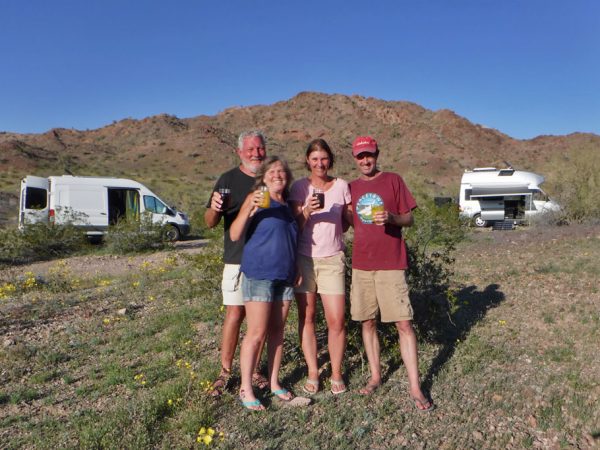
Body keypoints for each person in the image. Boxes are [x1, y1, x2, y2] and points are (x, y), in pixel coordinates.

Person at [349, 136, 434, 411]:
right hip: (362, 264)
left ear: (377, 154)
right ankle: (375, 376)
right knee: (367, 322)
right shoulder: (350, 188)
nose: (366, 160)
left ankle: (415, 387)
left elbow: (409, 218)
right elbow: (345, 221)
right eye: (360, 156)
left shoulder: (393, 180)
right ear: (355, 159)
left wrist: (392, 218)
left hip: (391, 264)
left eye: (369, 155)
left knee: (404, 324)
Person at [230, 156, 308, 410]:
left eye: (282, 171)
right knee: (256, 333)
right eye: (272, 171)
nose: (277, 175)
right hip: (259, 274)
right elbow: (235, 234)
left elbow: (289, 240)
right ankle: (246, 387)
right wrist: (247, 210)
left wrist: (296, 266)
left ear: (288, 177)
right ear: (263, 177)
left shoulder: (287, 206)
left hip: (284, 275)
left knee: (277, 332)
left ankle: (274, 382)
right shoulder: (255, 199)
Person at [204, 130, 270, 397]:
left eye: (260, 148)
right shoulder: (227, 180)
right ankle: (225, 371)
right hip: (237, 259)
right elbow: (210, 222)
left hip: (266, 261)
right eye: (250, 149)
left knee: (260, 320)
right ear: (239, 152)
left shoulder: (271, 178)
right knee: (234, 315)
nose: (256, 153)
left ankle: (254, 371)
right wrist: (215, 208)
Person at [289, 139, 352, 395]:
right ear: (308, 160)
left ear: (330, 159)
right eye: (314, 159)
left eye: (324, 158)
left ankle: (336, 372)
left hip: (333, 258)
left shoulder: (342, 186)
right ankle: (313, 371)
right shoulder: (299, 187)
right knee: (307, 317)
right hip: (304, 258)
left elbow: (347, 222)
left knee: (337, 320)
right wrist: (307, 210)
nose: (319, 163)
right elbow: (293, 227)